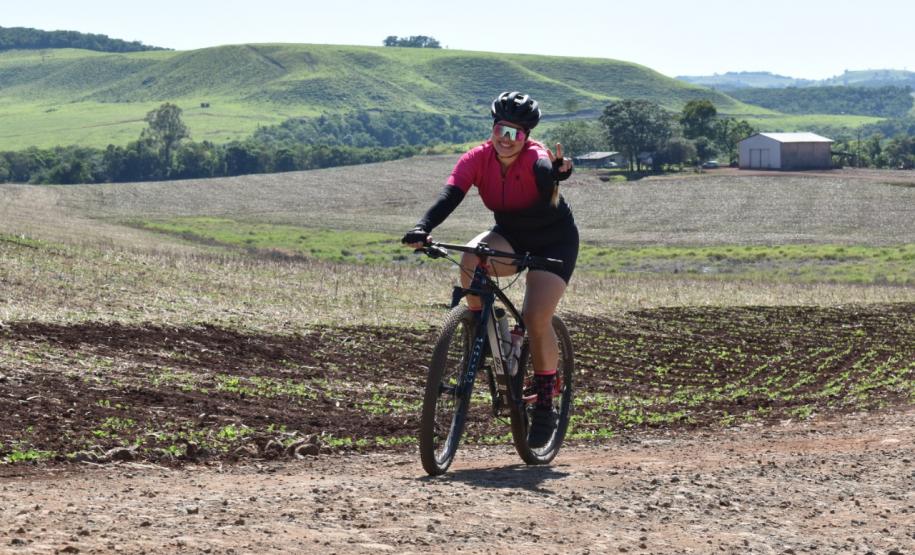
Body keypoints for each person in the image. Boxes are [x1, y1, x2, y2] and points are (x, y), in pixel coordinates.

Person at [402, 91, 578, 447]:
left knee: (534, 318)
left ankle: (545, 402)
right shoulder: (477, 158)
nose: (505, 139)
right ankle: (478, 329)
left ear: (526, 136)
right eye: (501, 129)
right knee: (471, 256)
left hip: (553, 243)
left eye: (515, 133)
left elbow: (547, 173)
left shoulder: (536, 158)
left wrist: (561, 172)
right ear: (492, 128)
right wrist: (423, 227)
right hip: (511, 237)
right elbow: (450, 194)